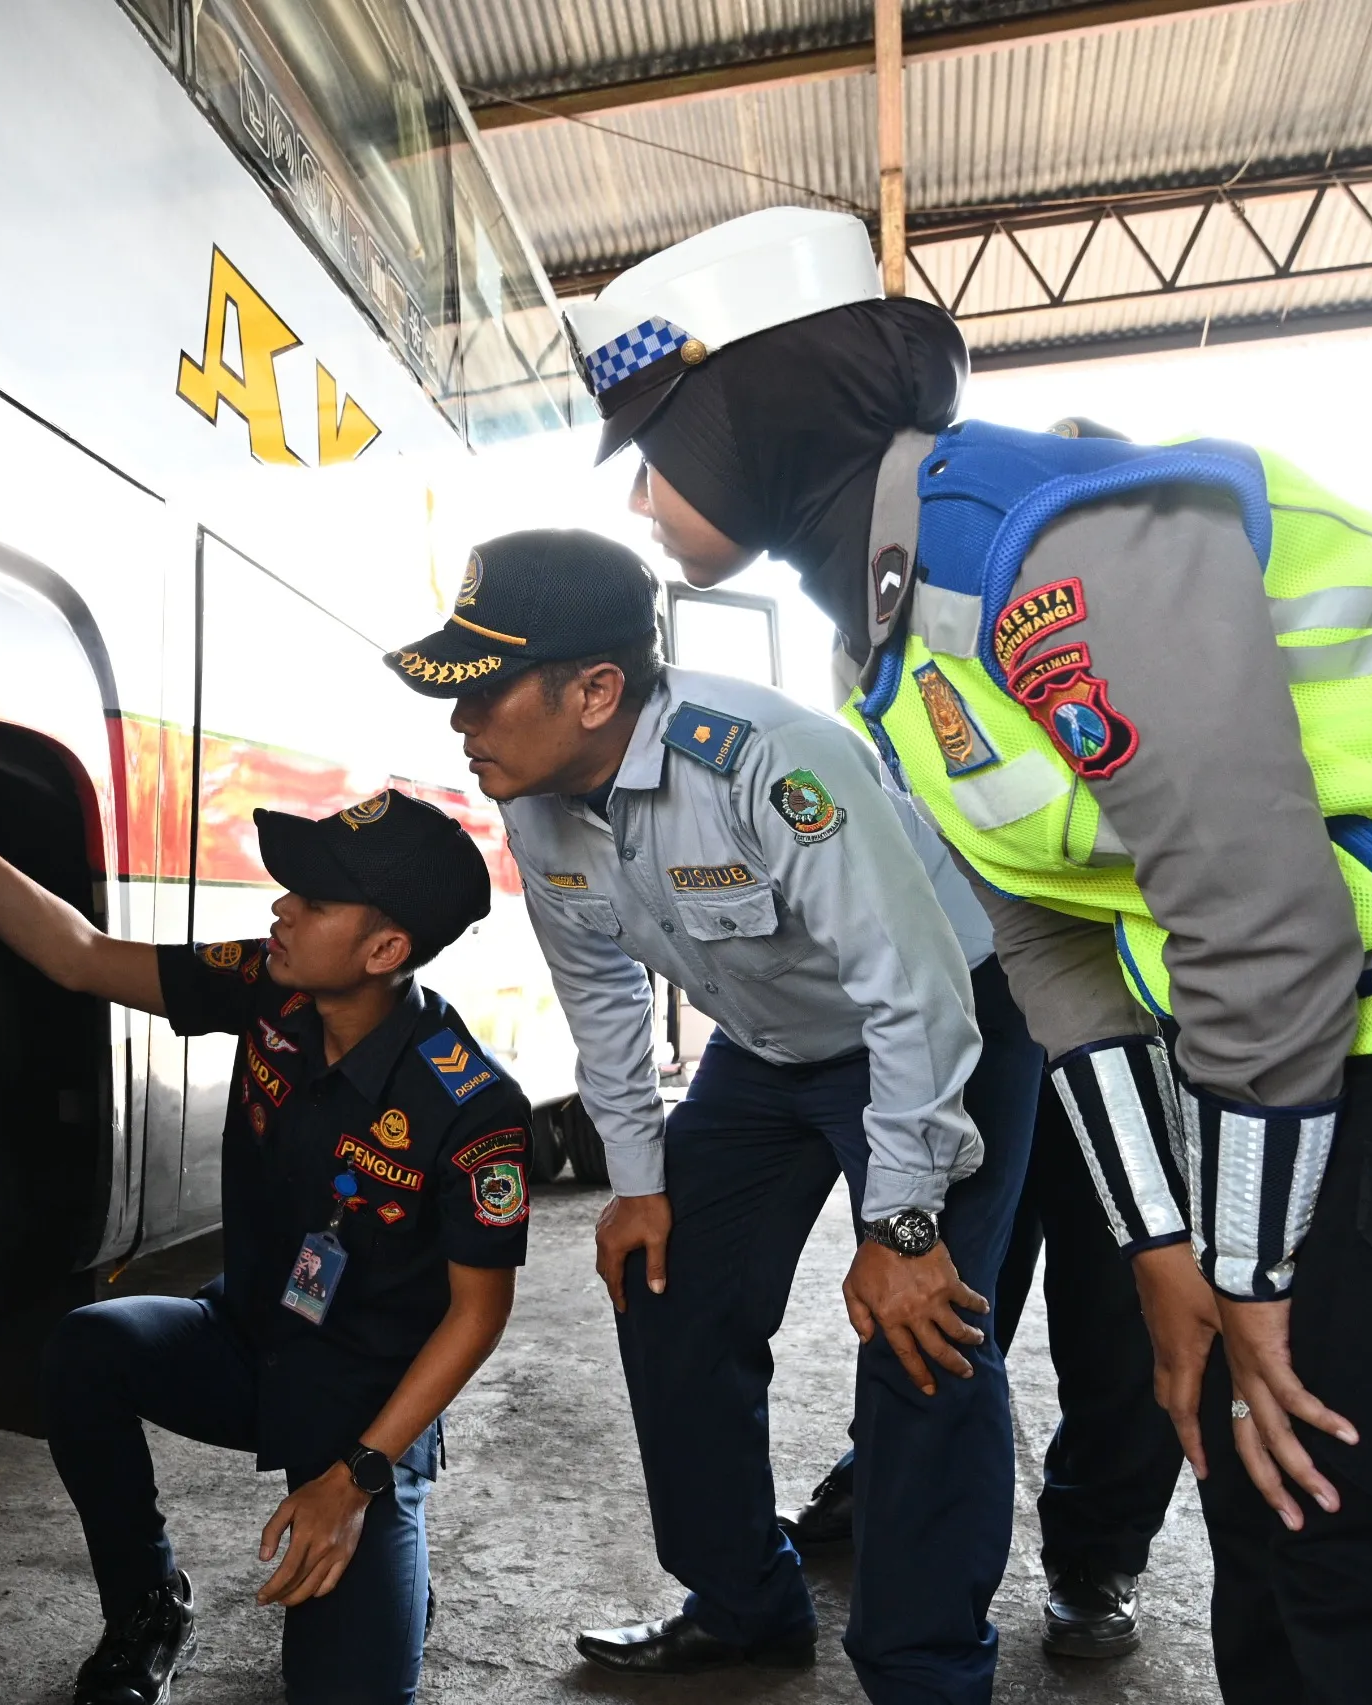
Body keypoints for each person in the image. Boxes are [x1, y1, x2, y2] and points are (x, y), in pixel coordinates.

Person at [585, 203, 1372, 1702]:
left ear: (759, 408)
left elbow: (1264, 925)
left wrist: (1251, 1278)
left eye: (657, 447)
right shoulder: (899, 634)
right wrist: (1168, 1255)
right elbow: (1060, 954)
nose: (641, 498)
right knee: (1269, 1519)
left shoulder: (1037, 546)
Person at [385, 529, 1038, 1704]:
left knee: (926, 1331)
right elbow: (603, 1001)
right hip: (769, 1051)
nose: (460, 726)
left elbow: (914, 990)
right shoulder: (540, 809)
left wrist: (897, 1231)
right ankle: (742, 1602)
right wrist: (636, 1183)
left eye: (482, 694)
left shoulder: (768, 762)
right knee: (664, 1280)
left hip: (947, 1028)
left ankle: (925, 1669)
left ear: (593, 692)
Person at [0, 770, 530, 1705]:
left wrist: (355, 1480)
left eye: (312, 900)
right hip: (247, 1341)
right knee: (88, 1350)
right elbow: (77, 953)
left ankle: (392, 1572)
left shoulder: (470, 1111)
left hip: (361, 1414)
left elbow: (477, 1318)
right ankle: (148, 1603)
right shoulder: (273, 989)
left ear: (384, 947)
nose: (281, 907)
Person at [779, 1076, 1188, 1661]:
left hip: (1125, 1035)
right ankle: (886, 1470)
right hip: (988, 1009)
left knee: (1117, 1295)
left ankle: (1098, 1547)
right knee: (950, 1271)